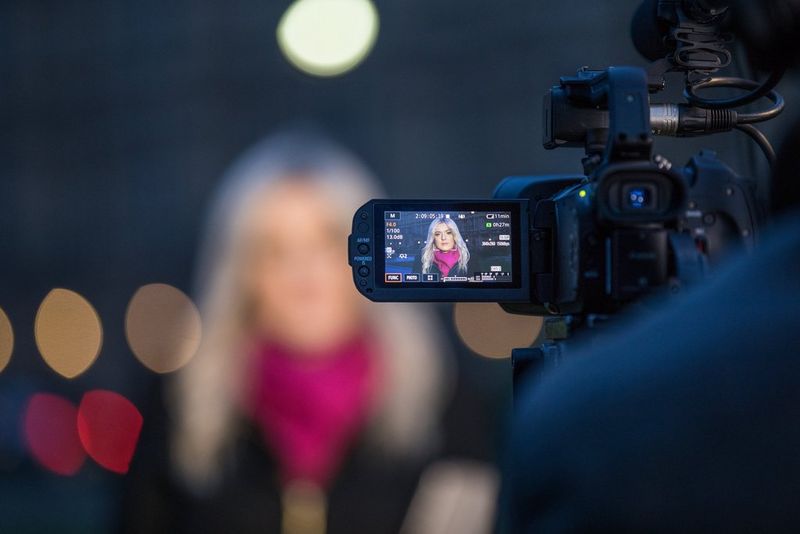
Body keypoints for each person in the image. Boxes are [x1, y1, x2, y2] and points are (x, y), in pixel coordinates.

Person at [123, 128, 499, 534]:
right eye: (275, 250)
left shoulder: (440, 401)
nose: (304, 273)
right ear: (241, 274)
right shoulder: (180, 408)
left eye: (326, 241)